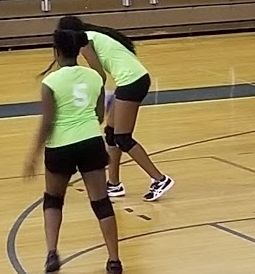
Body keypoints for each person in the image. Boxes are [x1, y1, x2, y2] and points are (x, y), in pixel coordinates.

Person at [24, 28, 122, 274]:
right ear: (79, 50)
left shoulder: (50, 83)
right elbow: (100, 116)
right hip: (90, 141)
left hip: (60, 146)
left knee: (53, 199)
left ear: (56, 52)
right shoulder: (94, 78)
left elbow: (47, 123)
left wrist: (32, 156)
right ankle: (114, 259)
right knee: (101, 202)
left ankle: (52, 253)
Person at [54, 15, 174, 202]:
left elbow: (99, 75)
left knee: (123, 138)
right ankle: (114, 184)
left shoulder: (86, 41)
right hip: (130, 81)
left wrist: (95, 98)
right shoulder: (91, 35)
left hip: (132, 82)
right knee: (111, 133)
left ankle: (160, 179)